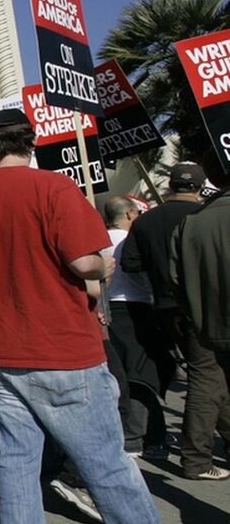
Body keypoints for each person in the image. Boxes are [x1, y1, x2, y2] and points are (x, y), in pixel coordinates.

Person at [0, 109, 221, 524]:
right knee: (107, 467)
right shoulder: (54, 189)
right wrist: (104, 262)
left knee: (20, 471)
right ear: (32, 142)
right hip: (61, 349)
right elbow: (82, 262)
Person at [122, 162, 228, 480]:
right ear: (198, 186)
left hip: (180, 310)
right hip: (200, 309)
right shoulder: (196, 217)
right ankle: (195, 456)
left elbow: (139, 265)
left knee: (209, 378)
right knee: (208, 381)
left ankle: (198, 454)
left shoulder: (150, 221)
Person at [103, 196, 171, 460]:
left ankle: (150, 433)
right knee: (139, 376)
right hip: (134, 309)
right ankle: (136, 437)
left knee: (123, 376)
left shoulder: (98, 238)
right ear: (130, 214)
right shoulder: (131, 240)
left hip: (107, 311)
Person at [171, 150, 230, 450]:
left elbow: (176, 280)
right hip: (207, 325)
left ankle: (196, 456)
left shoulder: (191, 224)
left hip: (208, 327)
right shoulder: (191, 221)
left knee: (209, 386)